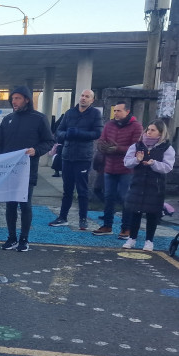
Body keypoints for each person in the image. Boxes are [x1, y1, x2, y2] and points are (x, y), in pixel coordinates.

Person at [0, 86, 55, 252]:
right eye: (13, 98)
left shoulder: (39, 118)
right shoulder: (7, 119)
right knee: (10, 204)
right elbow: (0, 144)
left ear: (27, 99)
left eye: (18, 98)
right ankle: (11, 238)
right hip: (9, 170)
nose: (14, 101)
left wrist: (36, 151)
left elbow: (48, 141)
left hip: (28, 170)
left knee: (25, 204)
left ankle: (24, 239)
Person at [49, 89, 103, 231]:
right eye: (82, 95)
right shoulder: (69, 113)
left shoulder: (95, 114)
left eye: (87, 97)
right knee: (67, 189)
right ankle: (62, 217)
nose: (83, 98)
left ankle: (83, 219)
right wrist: (67, 134)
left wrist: (79, 133)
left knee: (82, 190)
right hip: (67, 156)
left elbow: (97, 133)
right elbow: (58, 131)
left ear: (92, 100)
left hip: (83, 157)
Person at [121, 120, 175, 252]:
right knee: (135, 212)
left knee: (152, 214)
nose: (148, 132)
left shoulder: (167, 148)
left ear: (161, 133)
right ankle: (132, 238)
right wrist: (137, 160)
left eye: (153, 130)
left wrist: (153, 163)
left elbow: (168, 167)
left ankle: (149, 241)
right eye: (148, 129)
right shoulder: (137, 145)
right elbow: (127, 163)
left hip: (155, 187)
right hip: (137, 184)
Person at [91, 101, 142, 239]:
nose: (116, 113)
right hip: (109, 166)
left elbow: (136, 147)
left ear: (127, 111)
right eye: (115, 111)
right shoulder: (109, 125)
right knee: (108, 197)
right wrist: (103, 147)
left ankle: (126, 228)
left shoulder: (136, 127)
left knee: (125, 197)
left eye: (119, 111)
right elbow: (101, 140)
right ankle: (107, 225)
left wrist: (117, 148)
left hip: (126, 169)